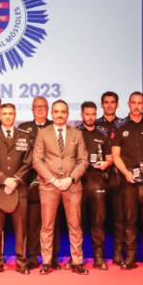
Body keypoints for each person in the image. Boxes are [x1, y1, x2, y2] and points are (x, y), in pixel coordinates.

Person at [33, 99, 89, 275]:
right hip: (49, 186)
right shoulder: (43, 133)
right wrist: (52, 179)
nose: (59, 115)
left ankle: (77, 262)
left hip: (72, 185)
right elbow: (37, 161)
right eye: (56, 111)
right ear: (52, 113)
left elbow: (83, 160)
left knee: (75, 225)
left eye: (63, 112)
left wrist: (70, 179)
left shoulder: (77, 134)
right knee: (47, 226)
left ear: (67, 114)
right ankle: (47, 262)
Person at [112, 92, 143, 269]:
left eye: (140, 103)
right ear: (128, 104)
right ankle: (130, 258)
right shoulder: (120, 126)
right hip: (129, 180)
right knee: (130, 219)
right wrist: (126, 172)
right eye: (133, 102)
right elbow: (116, 155)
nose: (136, 106)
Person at [0, 103, 32, 275]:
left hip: (20, 188)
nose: (7, 116)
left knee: (21, 229)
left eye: (11, 113)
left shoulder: (25, 135)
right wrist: (5, 180)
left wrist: (16, 180)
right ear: (0, 115)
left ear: (15, 115)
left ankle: (21, 263)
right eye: (4, 113)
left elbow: (28, 161)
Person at [18, 96, 59, 269]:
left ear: (48, 109)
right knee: (33, 221)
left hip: (52, 179)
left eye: (43, 106)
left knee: (52, 221)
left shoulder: (55, 126)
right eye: (36, 107)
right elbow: (21, 155)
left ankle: (52, 258)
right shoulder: (23, 128)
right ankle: (33, 256)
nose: (40, 109)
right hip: (31, 181)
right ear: (32, 109)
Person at [78, 101, 113, 270]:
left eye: (93, 114)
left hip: (98, 179)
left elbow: (110, 158)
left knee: (98, 221)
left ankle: (99, 257)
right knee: (77, 222)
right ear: (82, 115)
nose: (90, 117)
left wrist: (106, 164)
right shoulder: (75, 133)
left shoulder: (103, 133)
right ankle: (77, 258)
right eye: (87, 114)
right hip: (78, 181)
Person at [96, 91, 125, 266]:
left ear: (117, 104)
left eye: (112, 102)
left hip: (117, 177)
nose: (109, 105)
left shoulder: (123, 125)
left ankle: (118, 254)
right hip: (97, 177)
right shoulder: (94, 124)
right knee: (98, 219)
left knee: (119, 218)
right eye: (106, 102)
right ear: (102, 104)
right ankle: (97, 254)